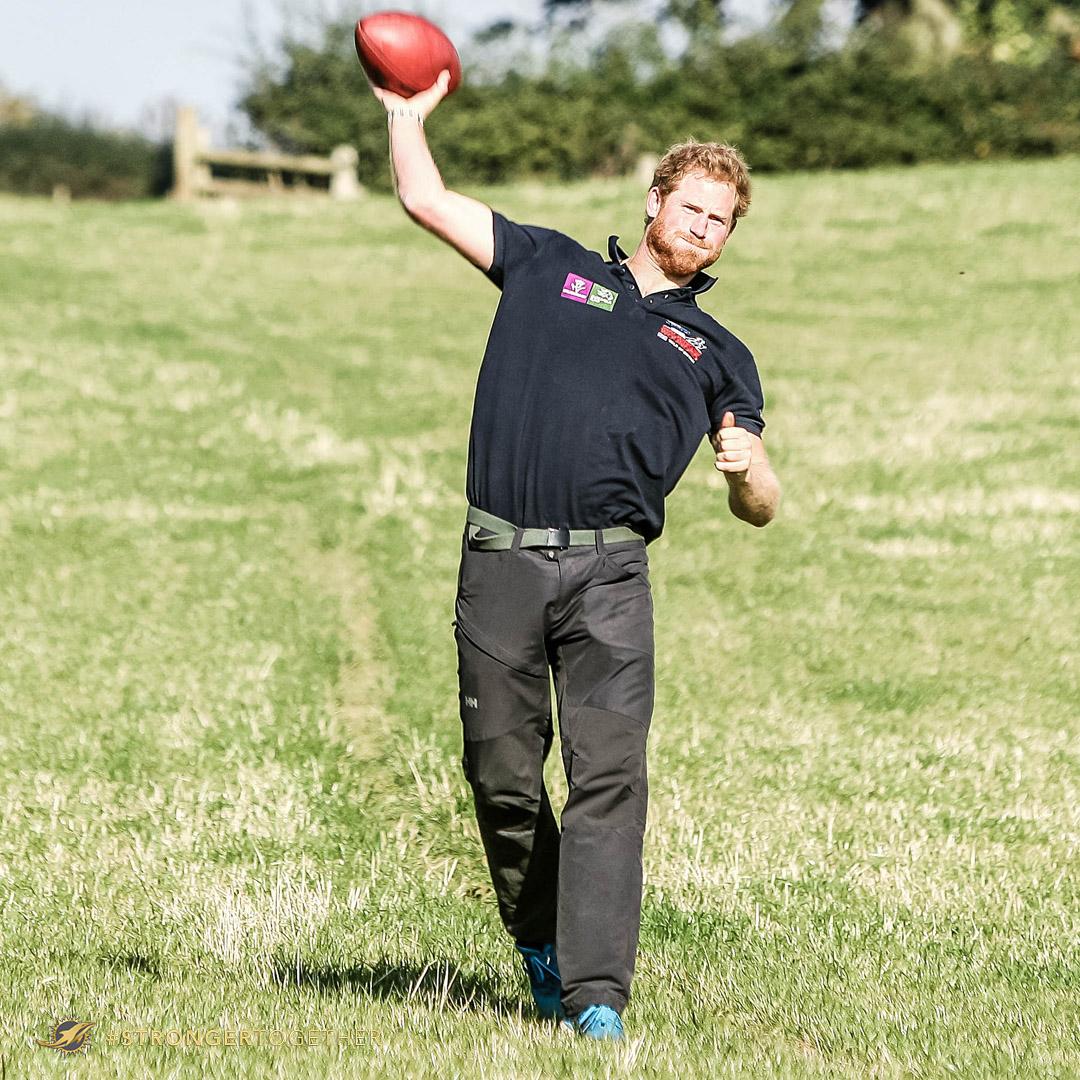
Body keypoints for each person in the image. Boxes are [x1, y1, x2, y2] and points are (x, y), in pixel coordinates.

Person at [369, 70, 781, 1041]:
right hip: (500, 562)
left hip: (610, 580)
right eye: (693, 208)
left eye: (723, 221)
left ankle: (597, 995)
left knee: (608, 780)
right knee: (501, 776)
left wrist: (746, 470)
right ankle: (538, 938)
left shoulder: (717, 350)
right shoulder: (546, 264)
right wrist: (403, 115)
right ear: (653, 200)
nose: (705, 228)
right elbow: (425, 199)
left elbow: (763, 506)